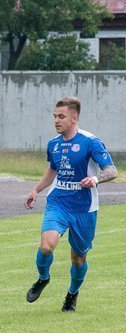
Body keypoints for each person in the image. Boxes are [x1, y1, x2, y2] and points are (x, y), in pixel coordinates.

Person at [24, 97, 117, 312]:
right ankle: (43, 278)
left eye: (61, 116)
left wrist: (94, 179)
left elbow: (111, 170)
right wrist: (36, 190)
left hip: (84, 208)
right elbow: (53, 170)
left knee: (78, 258)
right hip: (58, 202)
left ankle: (72, 293)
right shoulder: (54, 144)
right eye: (55, 116)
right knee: (46, 246)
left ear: (74, 118)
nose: (56, 121)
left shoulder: (91, 142)